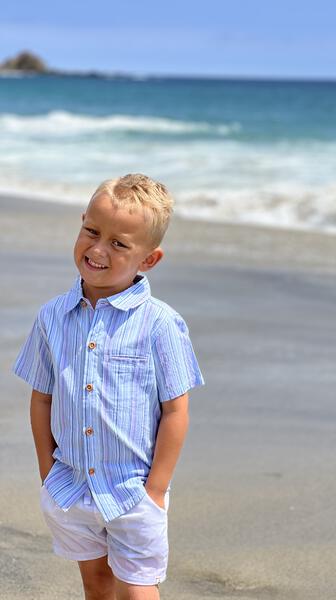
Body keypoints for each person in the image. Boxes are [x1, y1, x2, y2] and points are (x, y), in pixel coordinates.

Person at [12, 173, 205, 600]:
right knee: (96, 584)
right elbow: (41, 397)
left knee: (137, 590)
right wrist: (48, 471)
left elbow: (176, 411)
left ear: (149, 260)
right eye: (92, 232)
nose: (98, 249)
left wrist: (155, 490)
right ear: (80, 223)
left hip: (133, 490)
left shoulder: (160, 324)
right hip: (71, 485)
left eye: (120, 244)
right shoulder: (52, 318)